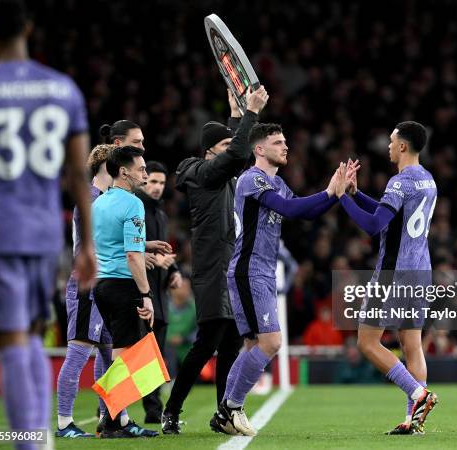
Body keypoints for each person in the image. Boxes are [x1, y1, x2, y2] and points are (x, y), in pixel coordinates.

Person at [0, 1, 96, 446]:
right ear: (28, 26)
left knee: (13, 340)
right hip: (46, 234)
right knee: (33, 335)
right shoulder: (63, 90)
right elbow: (79, 174)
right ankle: (39, 436)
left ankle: (31, 440)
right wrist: (88, 246)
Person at [214, 123, 345, 436]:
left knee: (251, 346)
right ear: (259, 149)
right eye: (277, 142)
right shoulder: (252, 179)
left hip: (262, 270)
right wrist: (328, 192)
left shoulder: (277, 181)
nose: (285, 147)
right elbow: (287, 206)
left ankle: (224, 413)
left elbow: (304, 213)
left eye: (285, 141)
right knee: (271, 342)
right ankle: (232, 407)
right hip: (249, 269)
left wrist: (335, 195)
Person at [160, 87, 269, 434]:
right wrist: (249, 115)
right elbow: (235, 152)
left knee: (230, 346)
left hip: (231, 268)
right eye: (223, 147)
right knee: (207, 342)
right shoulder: (198, 172)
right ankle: (171, 410)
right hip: (210, 271)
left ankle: (223, 414)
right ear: (210, 152)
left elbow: (232, 150)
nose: (235, 154)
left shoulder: (220, 173)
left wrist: (238, 115)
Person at [334, 121, 439, 435]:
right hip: (420, 271)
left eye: (392, 141)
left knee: (367, 342)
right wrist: (358, 193)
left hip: (393, 274)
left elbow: (375, 225)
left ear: (403, 146)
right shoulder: (429, 181)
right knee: (412, 345)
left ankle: (418, 393)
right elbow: (393, 216)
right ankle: (414, 420)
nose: (389, 145)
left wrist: (343, 198)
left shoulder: (399, 181)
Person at [91, 145, 170, 438]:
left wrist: (145, 244)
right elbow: (132, 257)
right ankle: (112, 422)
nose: (146, 175)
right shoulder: (133, 203)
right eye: (142, 169)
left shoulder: (99, 202)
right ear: (124, 171)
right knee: (126, 358)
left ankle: (116, 419)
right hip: (124, 285)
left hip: (102, 285)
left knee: (127, 355)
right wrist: (146, 294)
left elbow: (108, 242)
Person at [56, 144, 115, 438]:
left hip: (105, 286)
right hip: (86, 285)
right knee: (78, 353)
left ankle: (109, 417)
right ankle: (65, 423)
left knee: (108, 354)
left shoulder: (104, 199)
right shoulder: (90, 201)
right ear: (108, 166)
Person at [135, 160, 182, 423]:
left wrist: (173, 270)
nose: (157, 187)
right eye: (152, 181)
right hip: (140, 297)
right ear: (142, 180)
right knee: (135, 357)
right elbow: (128, 247)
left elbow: (164, 252)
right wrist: (151, 255)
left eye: (162, 183)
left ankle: (153, 412)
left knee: (155, 358)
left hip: (159, 298)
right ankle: (108, 410)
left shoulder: (160, 215)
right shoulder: (136, 209)